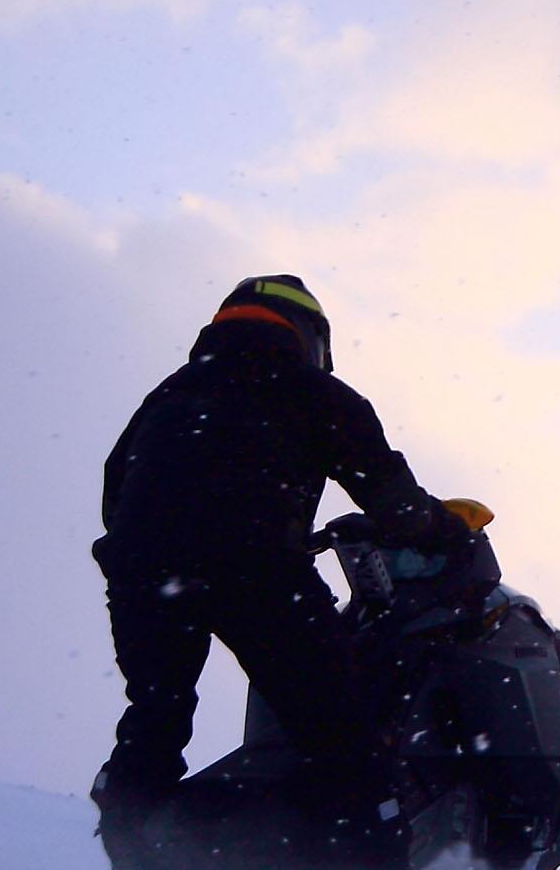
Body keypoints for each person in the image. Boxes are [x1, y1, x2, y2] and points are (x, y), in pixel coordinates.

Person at [89, 275, 464, 840]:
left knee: (154, 720)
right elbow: (395, 504)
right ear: (311, 337)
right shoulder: (313, 391)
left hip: (142, 572)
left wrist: (160, 551)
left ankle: (141, 862)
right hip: (253, 567)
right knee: (338, 729)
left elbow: (116, 491)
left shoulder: (168, 394)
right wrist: (444, 527)